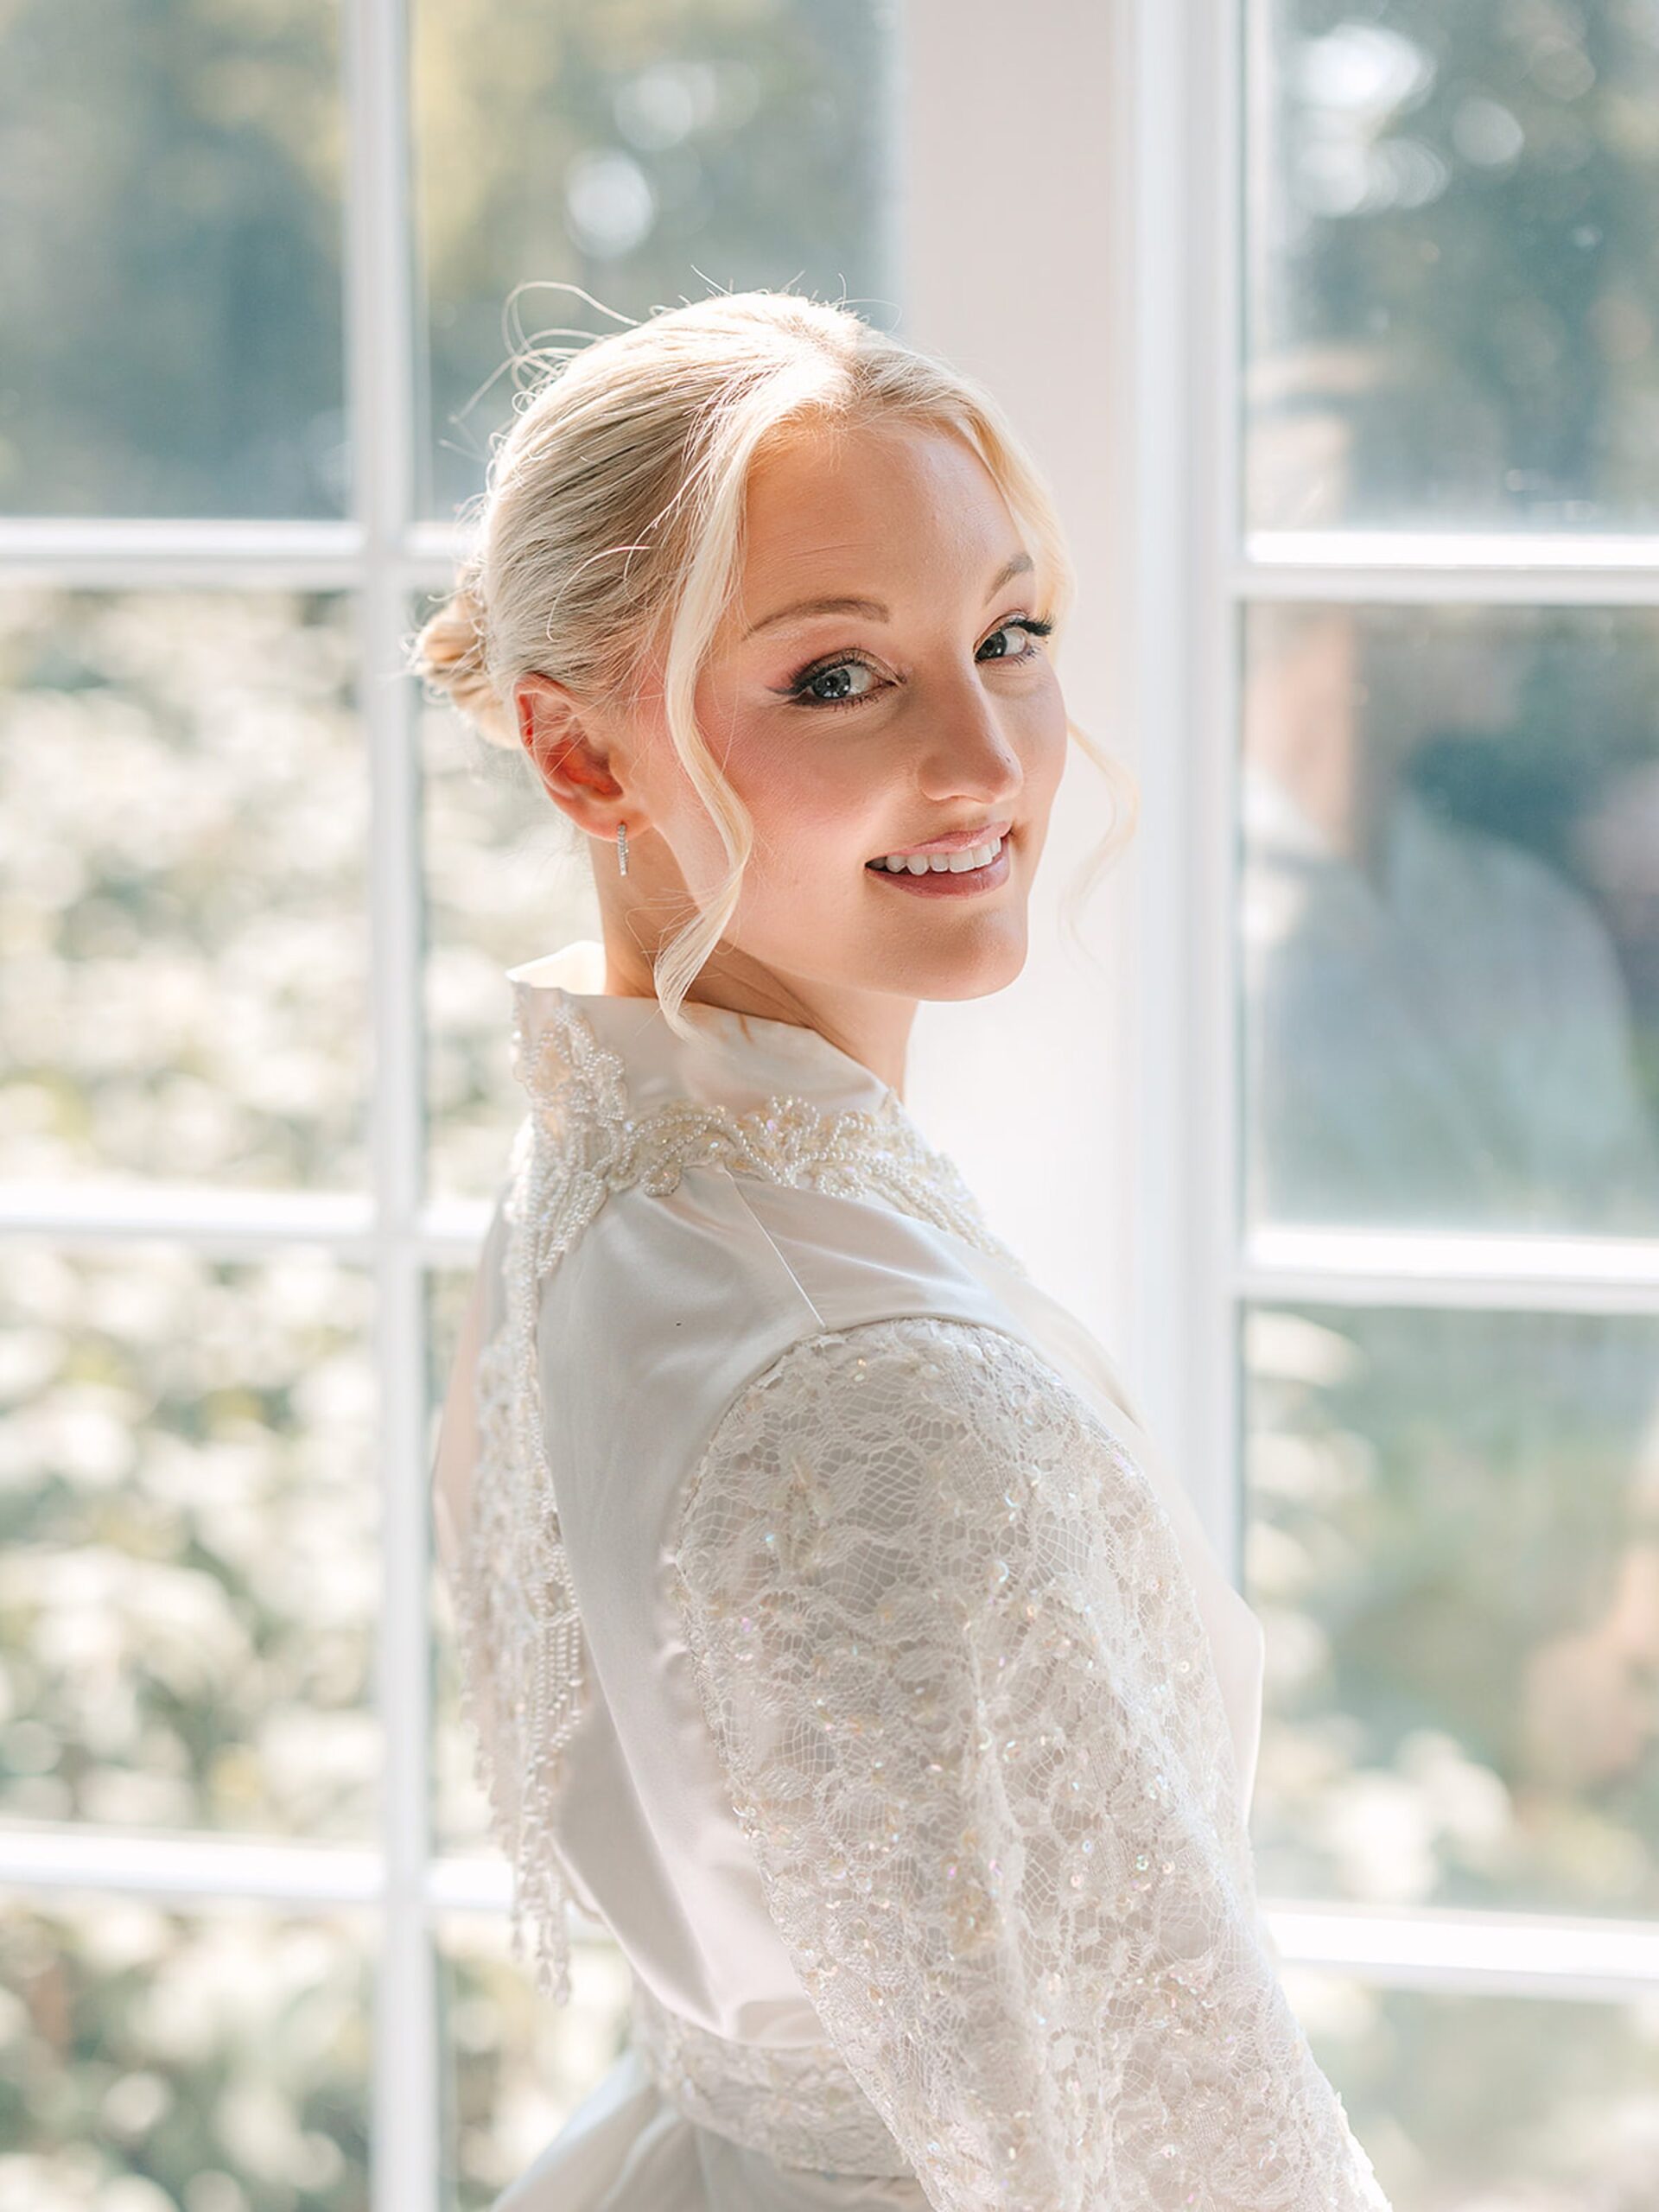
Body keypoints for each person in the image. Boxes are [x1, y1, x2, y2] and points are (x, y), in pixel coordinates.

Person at [412, 289, 1393, 2212]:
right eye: (839, 678)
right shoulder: (877, 1388)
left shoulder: (604, 1173)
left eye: (1008, 636)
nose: (986, 757)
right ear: (584, 757)